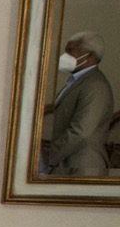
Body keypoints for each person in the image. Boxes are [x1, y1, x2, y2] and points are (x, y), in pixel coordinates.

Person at [40, 30, 112, 178]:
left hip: (82, 168)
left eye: (70, 51)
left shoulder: (95, 85)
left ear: (89, 56)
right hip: (67, 165)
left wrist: (48, 158)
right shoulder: (79, 81)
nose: (64, 56)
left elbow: (80, 131)